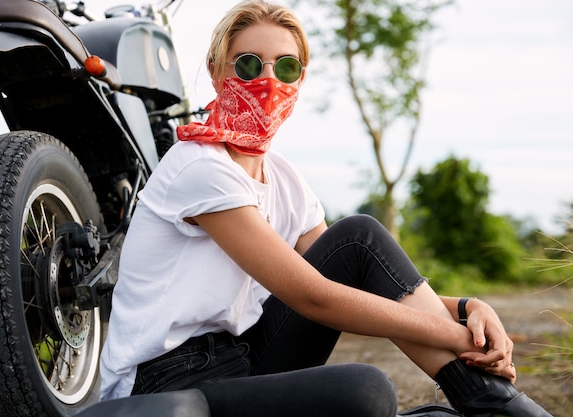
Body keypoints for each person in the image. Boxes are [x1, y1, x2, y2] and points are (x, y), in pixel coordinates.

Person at [99, 1, 552, 416]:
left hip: (243, 356)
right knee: (367, 392)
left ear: (301, 81)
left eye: (288, 68)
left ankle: (489, 403)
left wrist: (468, 310)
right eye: (250, 65)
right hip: (164, 382)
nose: (268, 81)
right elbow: (314, 296)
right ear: (218, 73)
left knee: (359, 239)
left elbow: (367, 278)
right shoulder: (199, 168)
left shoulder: (285, 179)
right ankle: (493, 405)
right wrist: (454, 336)